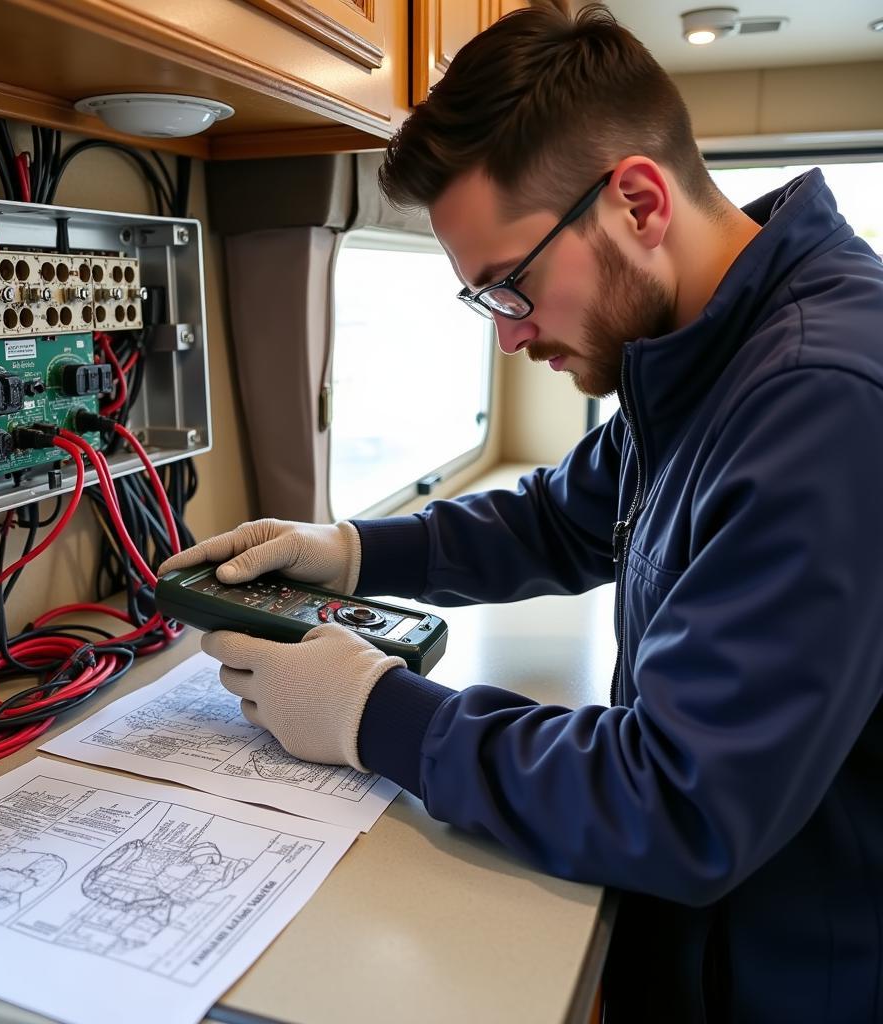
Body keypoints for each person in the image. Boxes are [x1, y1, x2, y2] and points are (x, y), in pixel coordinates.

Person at [159, 3, 883, 1020]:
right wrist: (352, 552)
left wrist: (377, 715)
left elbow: (681, 805)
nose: (510, 339)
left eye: (512, 288)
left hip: (795, 968)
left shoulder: (821, 399)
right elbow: (561, 518)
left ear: (636, 201)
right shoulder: (715, 347)